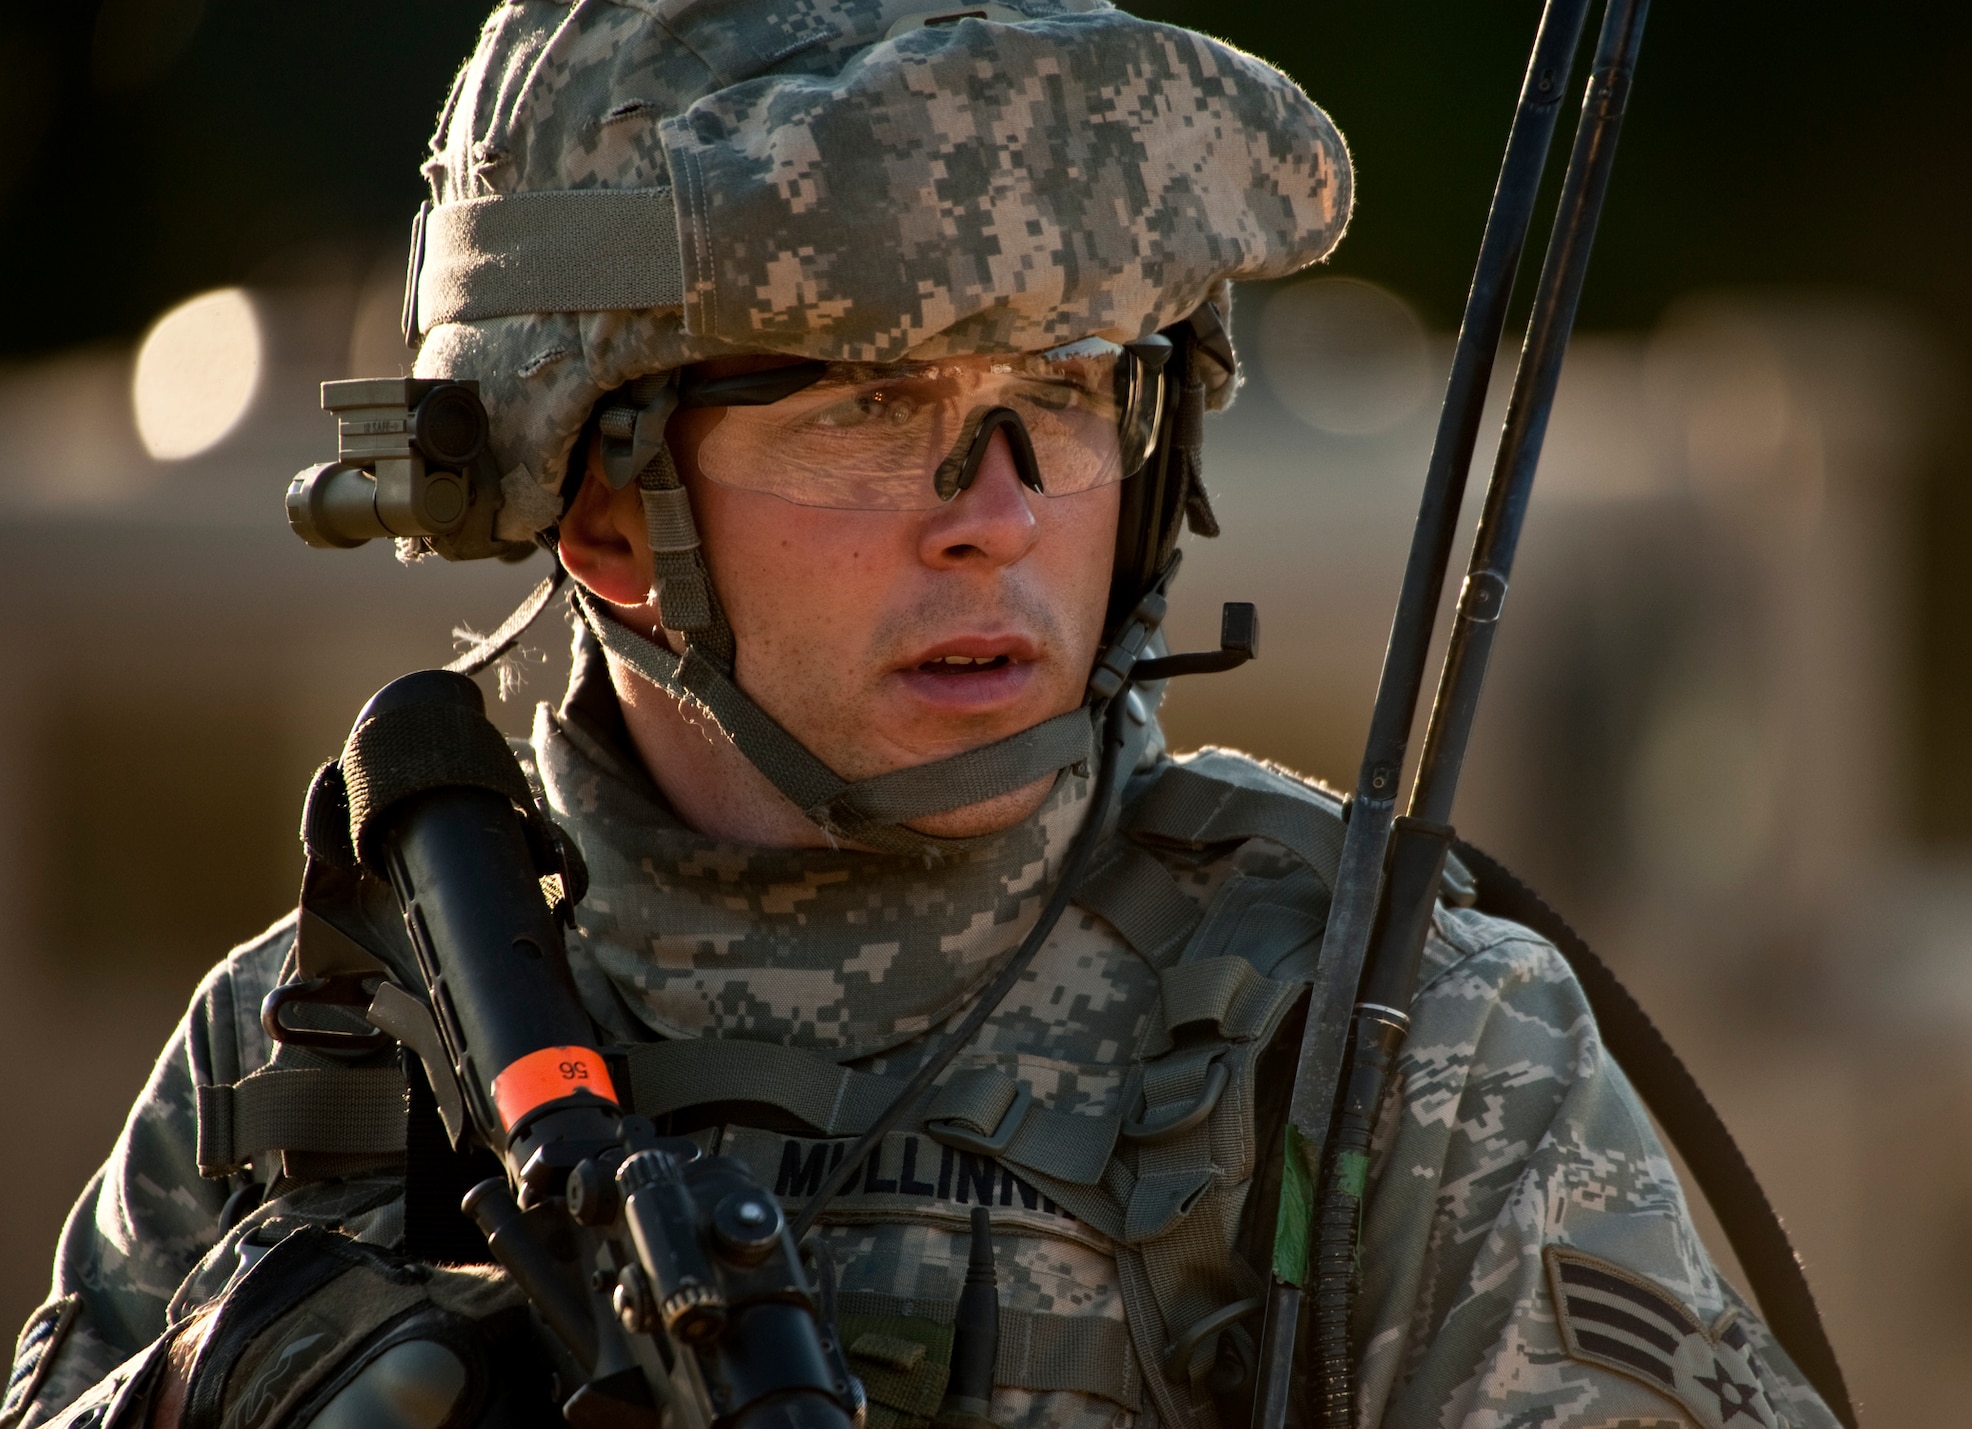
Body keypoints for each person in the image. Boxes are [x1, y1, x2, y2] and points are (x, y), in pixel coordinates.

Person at [4, 2, 1841, 1427]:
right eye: (867, 407)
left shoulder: (1380, 1048)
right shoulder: (317, 1050)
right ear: (605, 510)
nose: (1002, 506)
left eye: (1061, 387)